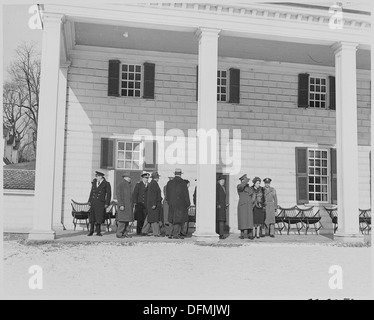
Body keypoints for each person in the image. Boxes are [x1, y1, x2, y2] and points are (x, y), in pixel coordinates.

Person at [166, 168, 191, 239]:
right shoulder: (183, 183)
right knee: (178, 220)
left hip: (171, 204)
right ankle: (176, 234)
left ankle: (169, 233)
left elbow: (167, 194)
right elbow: (186, 194)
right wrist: (188, 203)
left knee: (171, 219)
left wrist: (169, 202)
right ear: (180, 174)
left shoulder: (169, 183)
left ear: (174, 174)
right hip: (180, 204)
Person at [87, 171, 112, 237]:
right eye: (96, 176)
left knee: (99, 217)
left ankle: (98, 231)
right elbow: (92, 192)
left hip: (100, 203)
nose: (96, 177)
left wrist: (107, 203)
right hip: (93, 202)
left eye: (97, 176)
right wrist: (89, 201)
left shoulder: (106, 184)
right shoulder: (94, 182)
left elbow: (109, 194)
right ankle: (91, 231)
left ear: (101, 177)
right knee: (92, 217)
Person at [237, 174, 254, 240]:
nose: (247, 181)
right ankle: (242, 234)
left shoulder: (248, 188)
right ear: (242, 180)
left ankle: (250, 234)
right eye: (245, 179)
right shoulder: (239, 186)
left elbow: (252, 193)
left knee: (249, 220)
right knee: (243, 220)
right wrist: (245, 182)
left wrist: (252, 202)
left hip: (248, 205)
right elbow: (241, 187)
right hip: (242, 205)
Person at [116, 173, 133, 238]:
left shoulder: (129, 185)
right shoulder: (121, 185)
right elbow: (119, 196)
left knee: (127, 220)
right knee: (122, 220)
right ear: (125, 177)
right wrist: (121, 205)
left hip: (129, 206)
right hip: (123, 206)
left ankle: (125, 233)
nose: (130, 178)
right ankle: (119, 233)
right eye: (129, 177)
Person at [147, 172, 163, 237]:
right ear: (156, 178)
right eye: (157, 177)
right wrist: (153, 204)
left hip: (156, 203)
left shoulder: (153, 183)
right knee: (154, 219)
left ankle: (157, 232)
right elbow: (153, 195)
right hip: (154, 204)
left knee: (155, 219)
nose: (158, 178)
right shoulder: (153, 184)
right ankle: (156, 233)